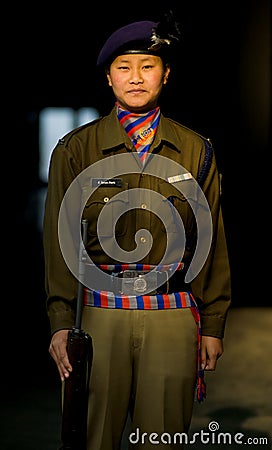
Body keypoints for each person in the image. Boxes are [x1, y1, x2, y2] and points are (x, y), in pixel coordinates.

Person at [43, 12, 231, 450]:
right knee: (95, 435)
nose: (135, 78)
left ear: (165, 76)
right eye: (124, 67)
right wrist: (58, 322)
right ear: (108, 78)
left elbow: (211, 237)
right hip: (99, 316)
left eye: (147, 66)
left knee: (162, 437)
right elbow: (60, 241)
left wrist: (214, 322)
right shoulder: (76, 149)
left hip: (171, 313)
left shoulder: (194, 149)